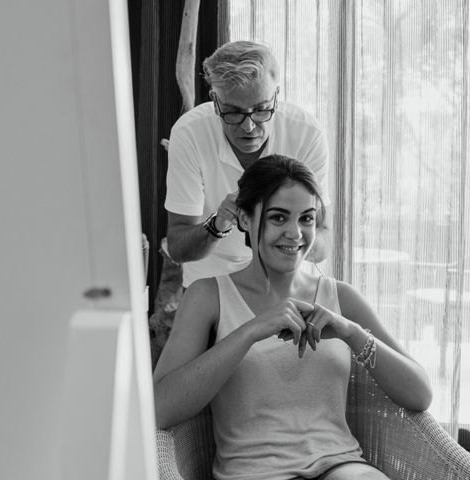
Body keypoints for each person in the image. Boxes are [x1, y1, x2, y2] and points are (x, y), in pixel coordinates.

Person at [154, 155, 432, 480]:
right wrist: (251, 331)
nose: (295, 233)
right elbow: (161, 408)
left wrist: (352, 333)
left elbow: (420, 394)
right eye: (278, 218)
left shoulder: (341, 297)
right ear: (245, 218)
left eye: (306, 219)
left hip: (341, 466)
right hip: (253, 473)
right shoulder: (208, 296)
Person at [164, 40, 333, 288]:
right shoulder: (189, 133)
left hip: (287, 287)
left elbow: (323, 244)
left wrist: (289, 232)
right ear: (215, 101)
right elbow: (178, 248)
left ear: (276, 96)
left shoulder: (307, 134)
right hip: (211, 286)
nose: (249, 126)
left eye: (262, 110)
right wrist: (217, 224)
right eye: (233, 112)